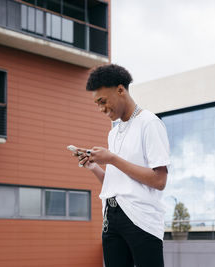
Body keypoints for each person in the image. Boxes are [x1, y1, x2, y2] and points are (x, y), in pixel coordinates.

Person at [71, 64, 170, 267]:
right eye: (97, 104)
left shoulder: (149, 123)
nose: (101, 109)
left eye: (103, 101)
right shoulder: (113, 132)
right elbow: (116, 182)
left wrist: (112, 159)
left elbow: (159, 180)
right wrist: (94, 166)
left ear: (120, 90)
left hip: (141, 219)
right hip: (112, 216)